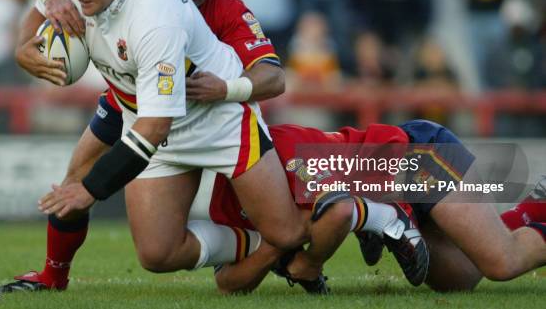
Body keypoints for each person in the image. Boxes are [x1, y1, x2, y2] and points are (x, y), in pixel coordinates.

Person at [3, 0, 312, 293]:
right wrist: (38, 19)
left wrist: (92, 190)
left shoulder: (157, 17)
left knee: (289, 232)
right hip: (136, 103)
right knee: (156, 254)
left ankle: (361, 212)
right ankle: (53, 278)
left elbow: (156, 127)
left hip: (213, 120)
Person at [209, 120, 546, 293]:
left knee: (502, 262)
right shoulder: (225, 191)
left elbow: (339, 211)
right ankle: (533, 209)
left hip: (414, 157)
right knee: (463, 278)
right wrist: (275, 246)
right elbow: (227, 282)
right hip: (385, 187)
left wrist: (309, 262)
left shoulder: (287, 153)